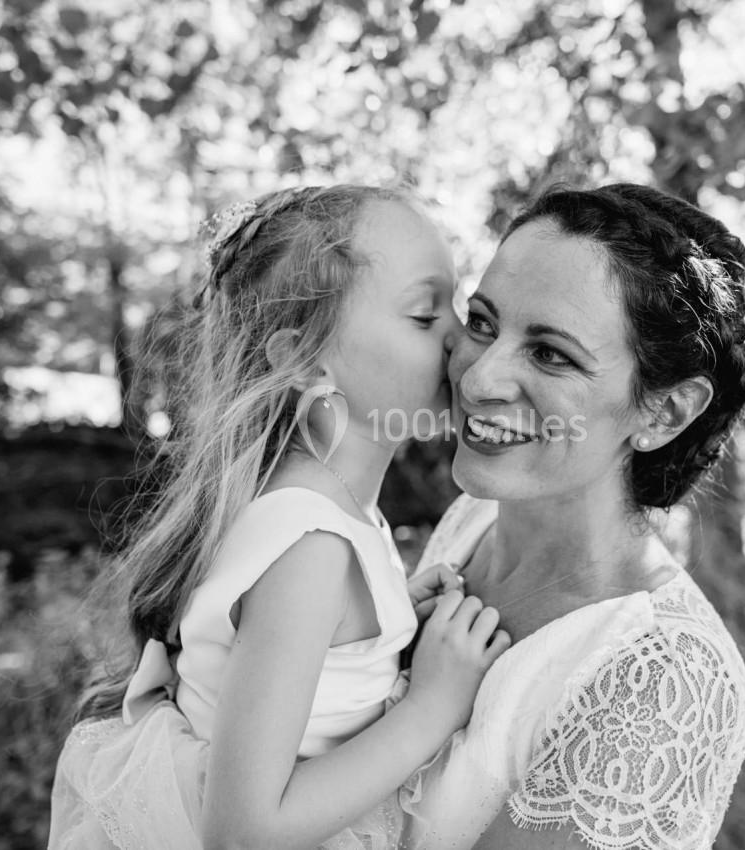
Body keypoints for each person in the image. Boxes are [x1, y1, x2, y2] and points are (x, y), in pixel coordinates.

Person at [48, 184, 511, 850]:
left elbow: (297, 658)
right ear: (300, 358)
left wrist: (386, 627)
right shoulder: (313, 546)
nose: (461, 340)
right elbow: (243, 833)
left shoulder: (322, 513)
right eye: (423, 315)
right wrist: (432, 706)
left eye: (458, 307)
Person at [397, 184, 745, 849]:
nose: (477, 381)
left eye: (551, 354)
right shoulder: (475, 517)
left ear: (665, 411)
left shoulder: (664, 677)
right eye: (482, 322)